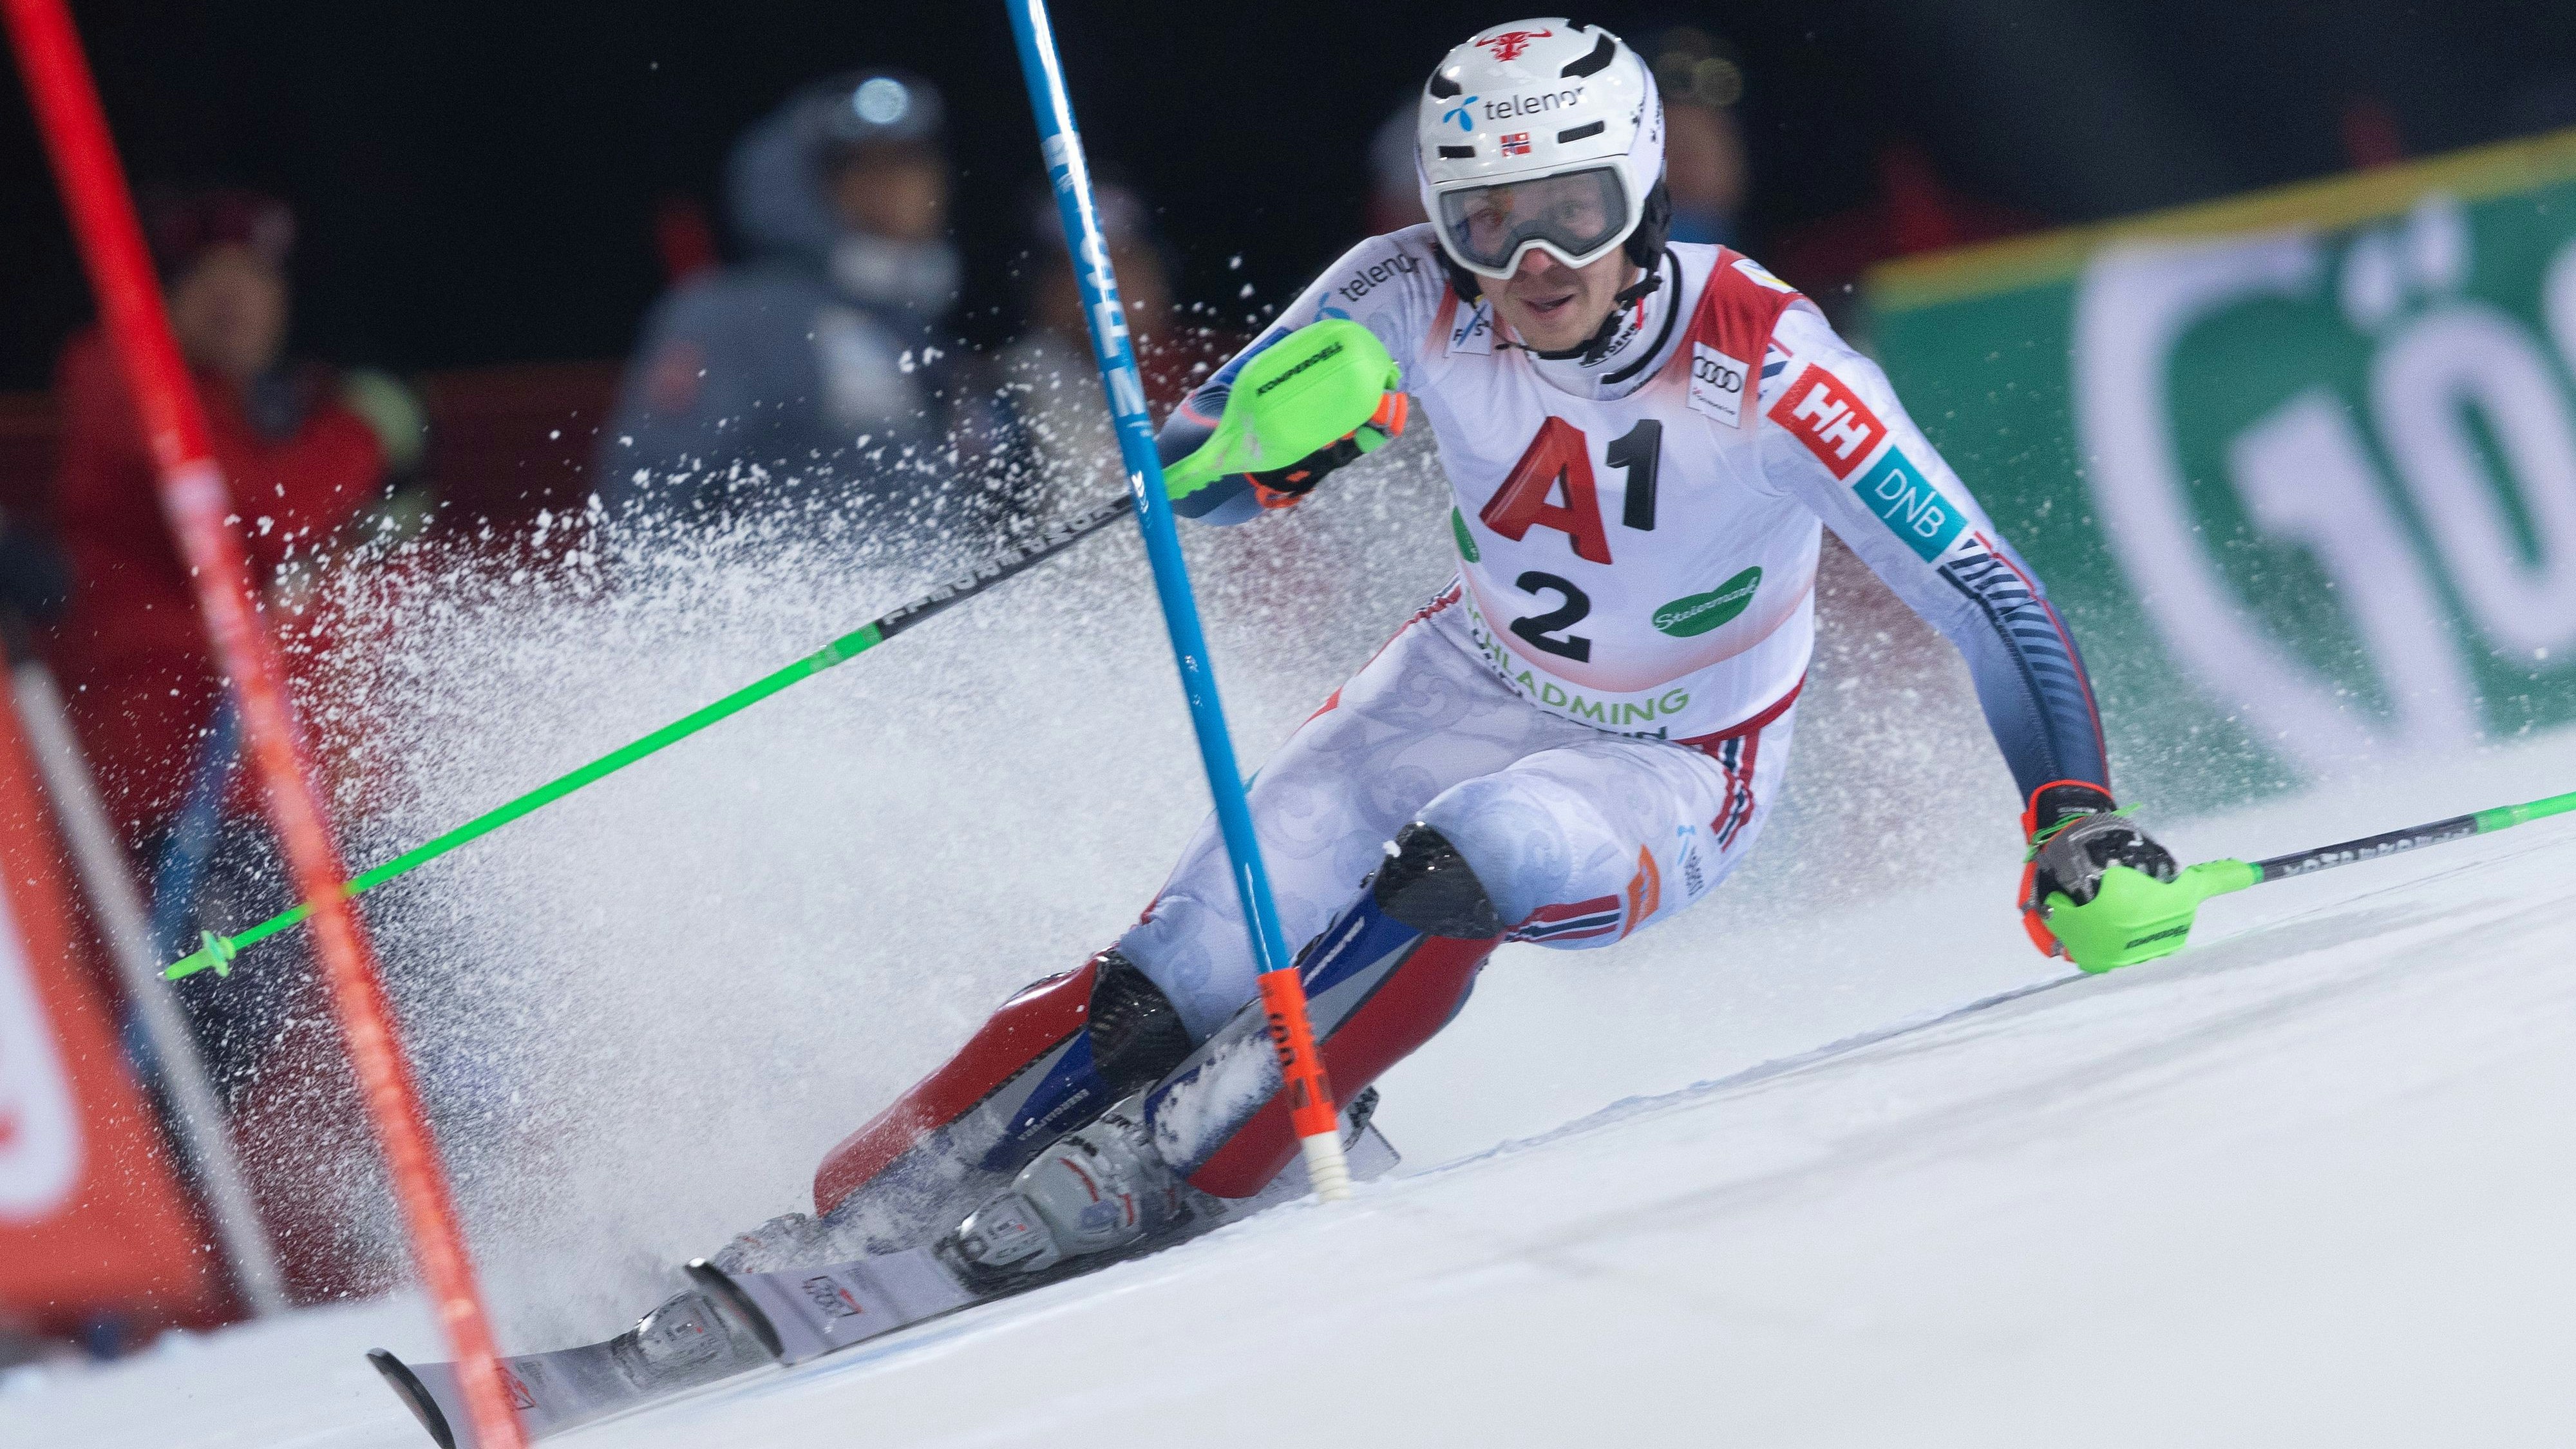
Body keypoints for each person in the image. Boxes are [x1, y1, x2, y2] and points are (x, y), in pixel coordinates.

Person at [713, 17, 2177, 1285]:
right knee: (1174, 973)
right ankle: (844, 1219)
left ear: (1645, 191)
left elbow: (1976, 582)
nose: (1533, 263)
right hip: (1461, 685)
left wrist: (2072, 811)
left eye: (1574, 210)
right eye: (1488, 221)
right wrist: (1269, 446)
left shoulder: (1771, 361)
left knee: (1471, 850)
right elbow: (1185, 472)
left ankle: (1192, 1157)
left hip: (1674, 762)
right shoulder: (1401, 287)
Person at [599, 70, 986, 542]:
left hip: (943, 600)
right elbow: (651, 496)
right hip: (812, 605)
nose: (904, 187)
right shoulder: (730, 315)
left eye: (913, 161)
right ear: (804, 186)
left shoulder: (911, 319)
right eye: (865, 167)